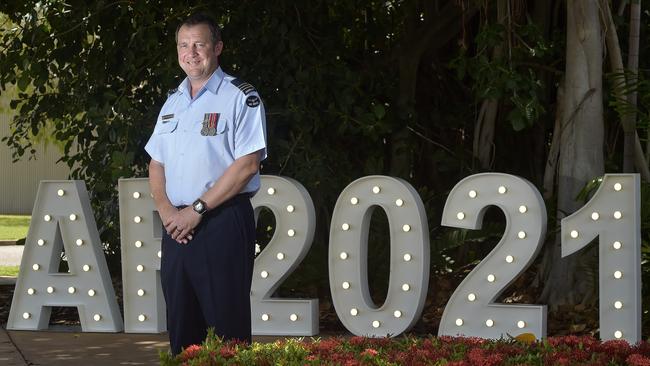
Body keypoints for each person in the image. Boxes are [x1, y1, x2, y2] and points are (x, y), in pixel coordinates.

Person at [144, 12, 267, 355]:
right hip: (177, 227)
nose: (191, 52)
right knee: (183, 328)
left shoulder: (240, 97)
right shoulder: (173, 102)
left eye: (199, 44)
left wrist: (196, 210)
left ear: (218, 48)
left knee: (227, 327)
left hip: (221, 221)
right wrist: (168, 211)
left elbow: (247, 165)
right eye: (184, 45)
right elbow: (157, 163)